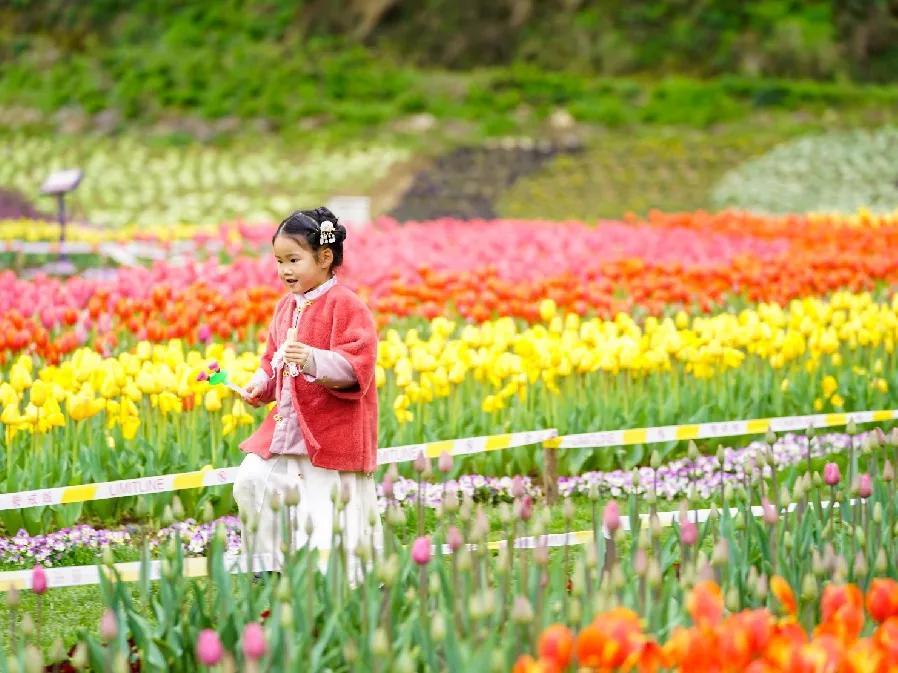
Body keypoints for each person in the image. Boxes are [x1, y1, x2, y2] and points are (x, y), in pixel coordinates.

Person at [233, 207, 382, 582]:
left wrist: (315, 360)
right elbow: (272, 360)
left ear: (325, 257)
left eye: (294, 260)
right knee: (253, 479)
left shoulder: (347, 306)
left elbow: (357, 367)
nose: (285, 270)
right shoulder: (285, 307)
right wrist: (260, 384)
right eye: (279, 261)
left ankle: (354, 579)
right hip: (287, 430)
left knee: (330, 506)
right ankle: (268, 564)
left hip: (330, 430)